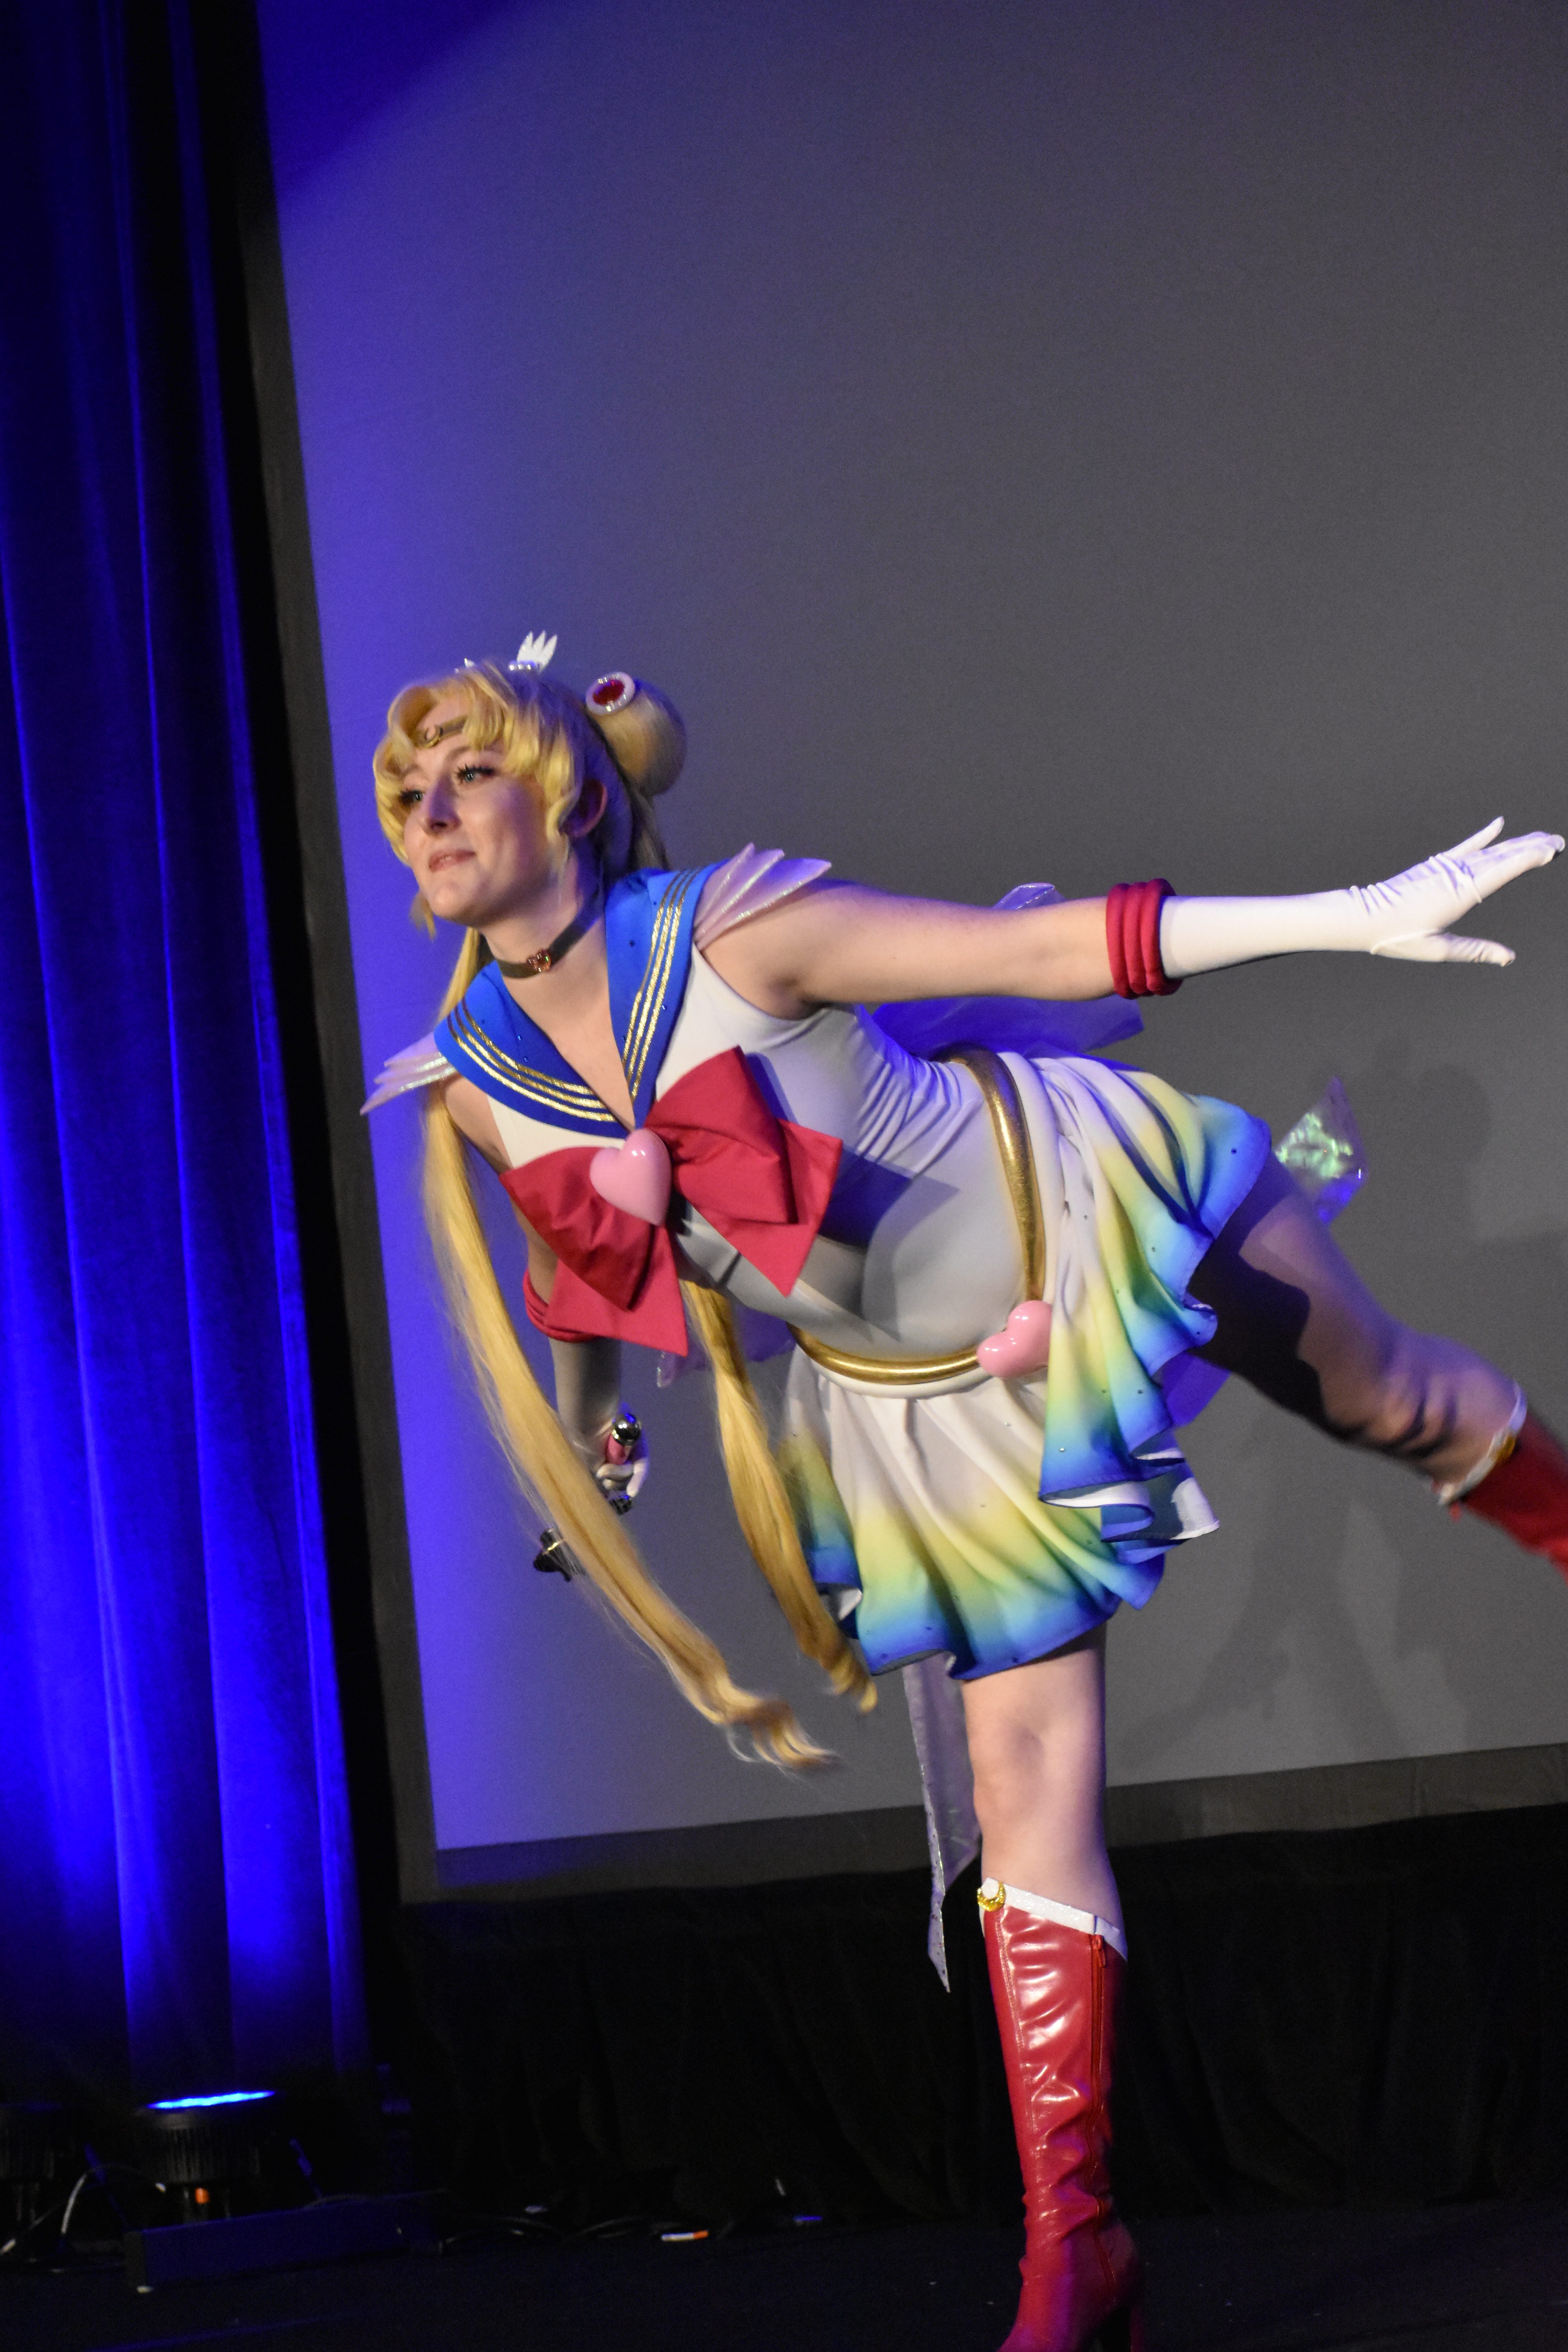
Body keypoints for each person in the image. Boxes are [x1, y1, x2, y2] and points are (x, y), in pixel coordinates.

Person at [365, 643, 1564, 2352]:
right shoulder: (474, 1079)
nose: (429, 813)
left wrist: (1359, 913)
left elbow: (1042, 951)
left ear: (564, 795)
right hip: (930, 1405)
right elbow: (596, 1282)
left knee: (1392, 1402)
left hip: (1082, 1206)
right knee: (1024, 1786)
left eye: (467, 776)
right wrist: (596, 1451)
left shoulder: (738, 931)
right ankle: (1075, 2250)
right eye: (407, 792)